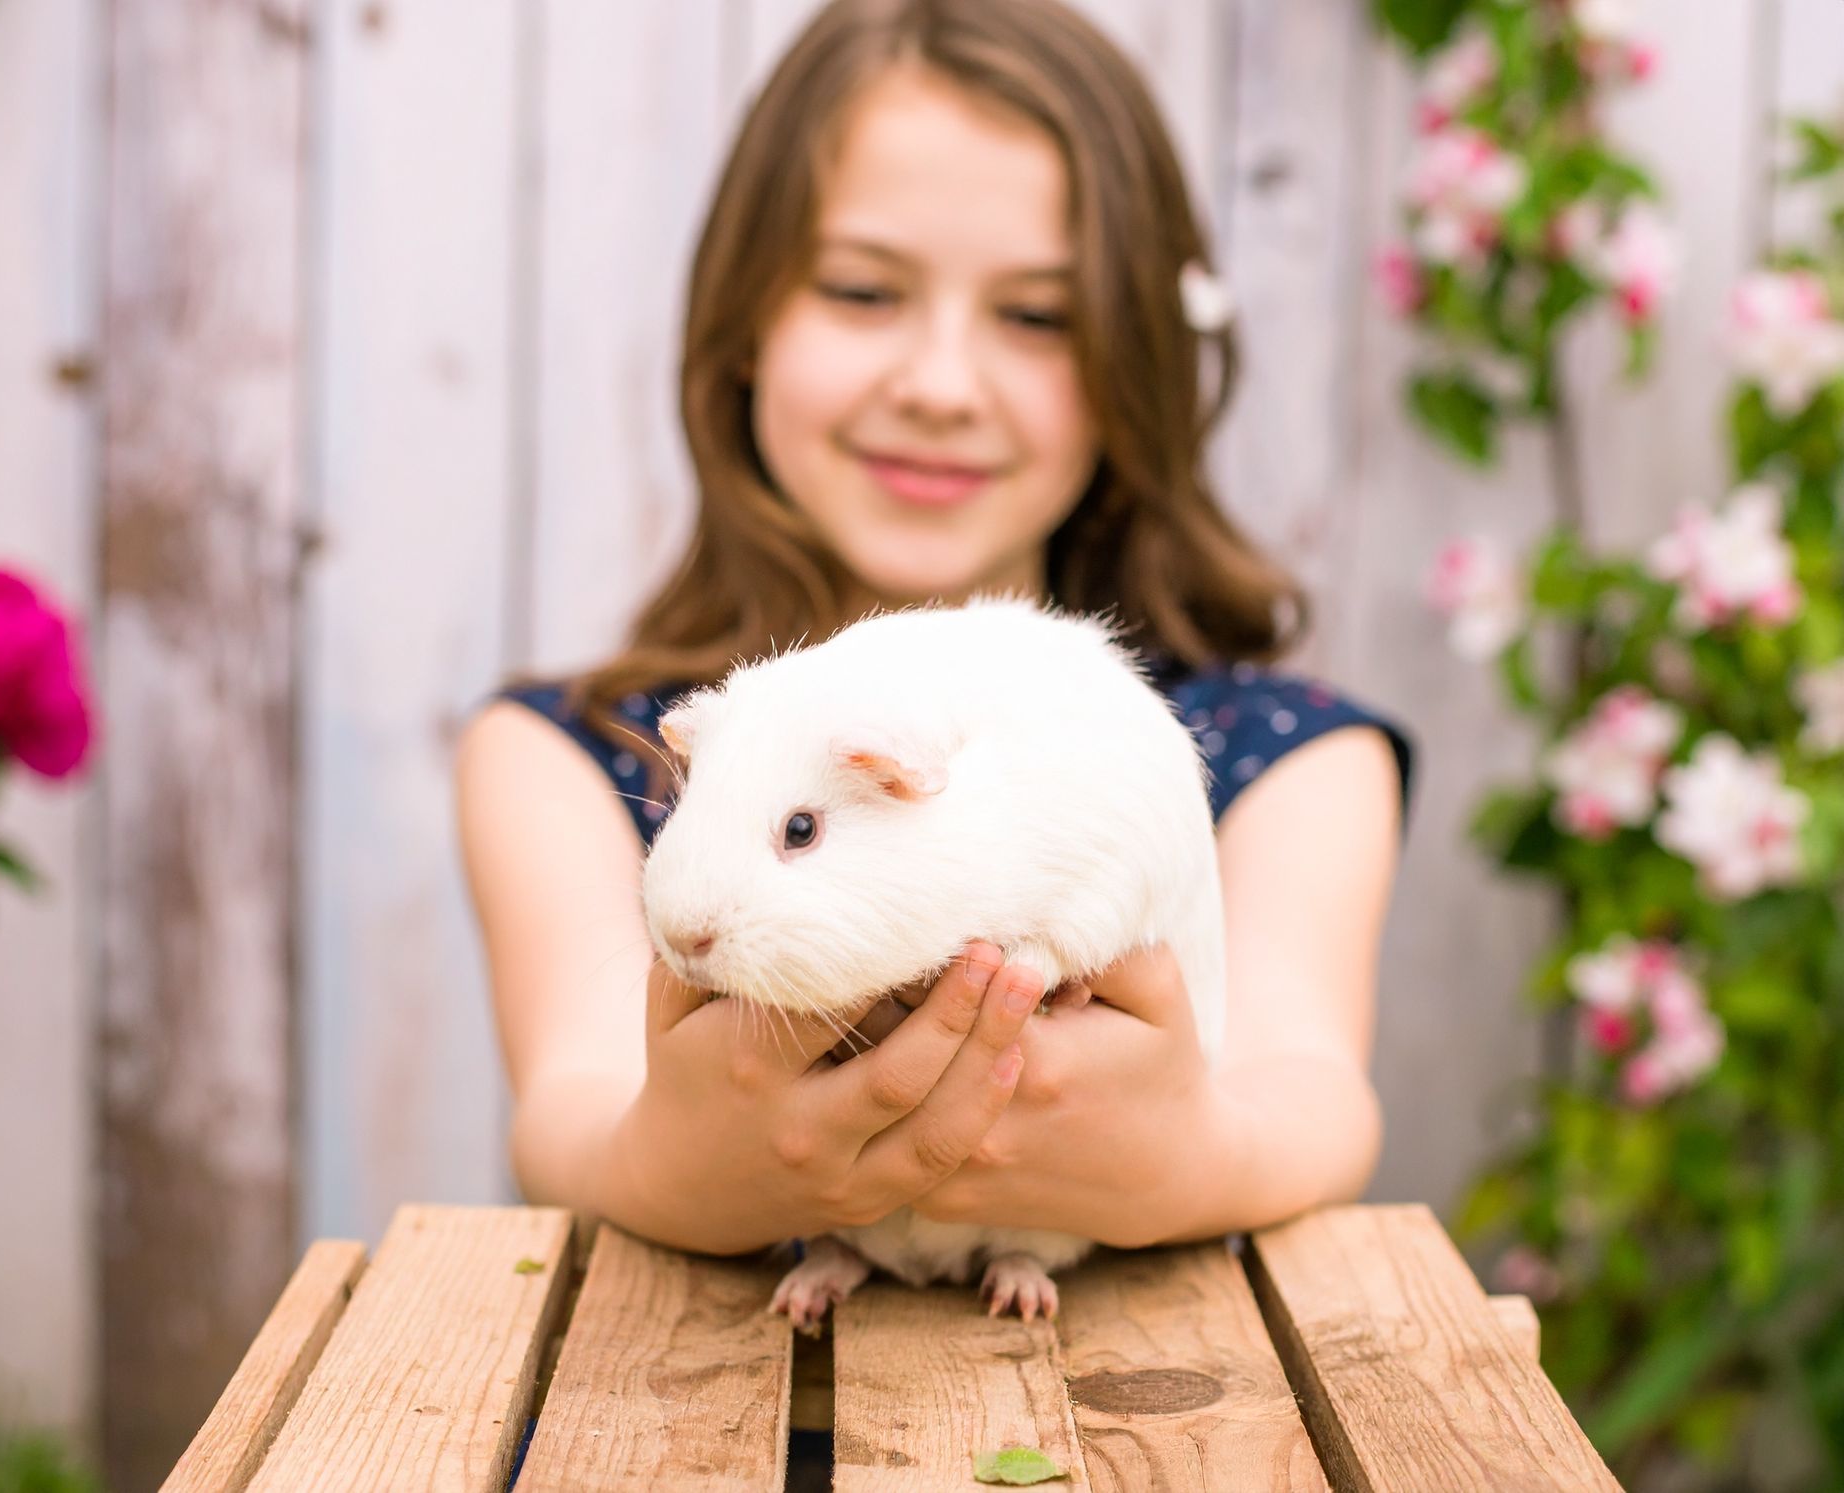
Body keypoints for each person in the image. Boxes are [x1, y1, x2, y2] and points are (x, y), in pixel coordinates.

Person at [456, 0, 1415, 1267]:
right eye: (863, 290)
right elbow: (566, 1113)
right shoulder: (569, 756)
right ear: (744, 324)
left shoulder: (1289, 759)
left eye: (1036, 317)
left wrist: (1195, 1157)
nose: (941, 385)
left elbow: (1317, 1099)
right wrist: (670, 1163)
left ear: (1140, 362)